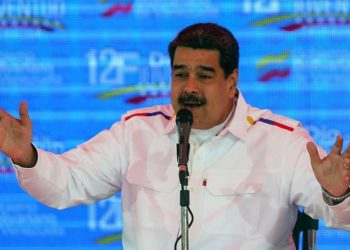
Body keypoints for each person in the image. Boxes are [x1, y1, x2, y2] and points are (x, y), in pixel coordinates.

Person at [0, 23, 350, 250]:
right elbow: (67, 185)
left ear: (232, 82)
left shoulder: (282, 141)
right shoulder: (137, 131)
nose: (190, 88)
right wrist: (25, 155)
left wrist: (337, 193)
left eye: (204, 75)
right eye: (180, 75)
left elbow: (340, 217)